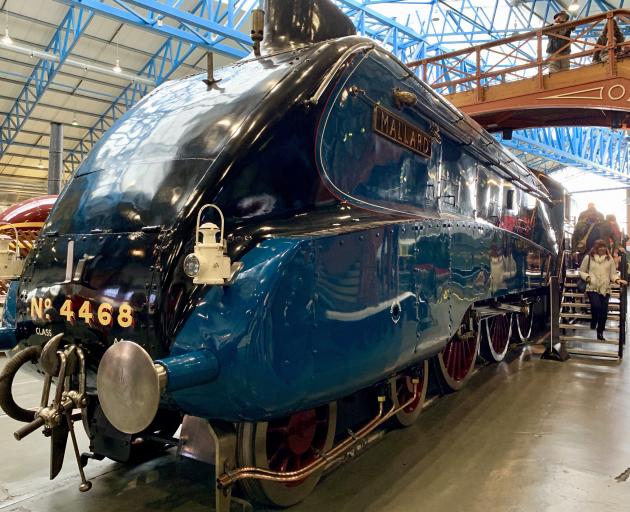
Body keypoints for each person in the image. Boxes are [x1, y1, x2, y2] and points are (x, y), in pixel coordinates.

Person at [579, 239, 627, 340]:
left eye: (604, 246)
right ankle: (594, 320)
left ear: (606, 248)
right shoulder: (588, 257)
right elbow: (582, 271)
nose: (602, 248)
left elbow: (612, 274)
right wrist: (587, 277)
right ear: (596, 248)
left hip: (605, 288)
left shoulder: (609, 259)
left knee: (604, 311)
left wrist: (618, 280)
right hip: (592, 287)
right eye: (600, 246)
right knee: (596, 306)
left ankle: (600, 332)